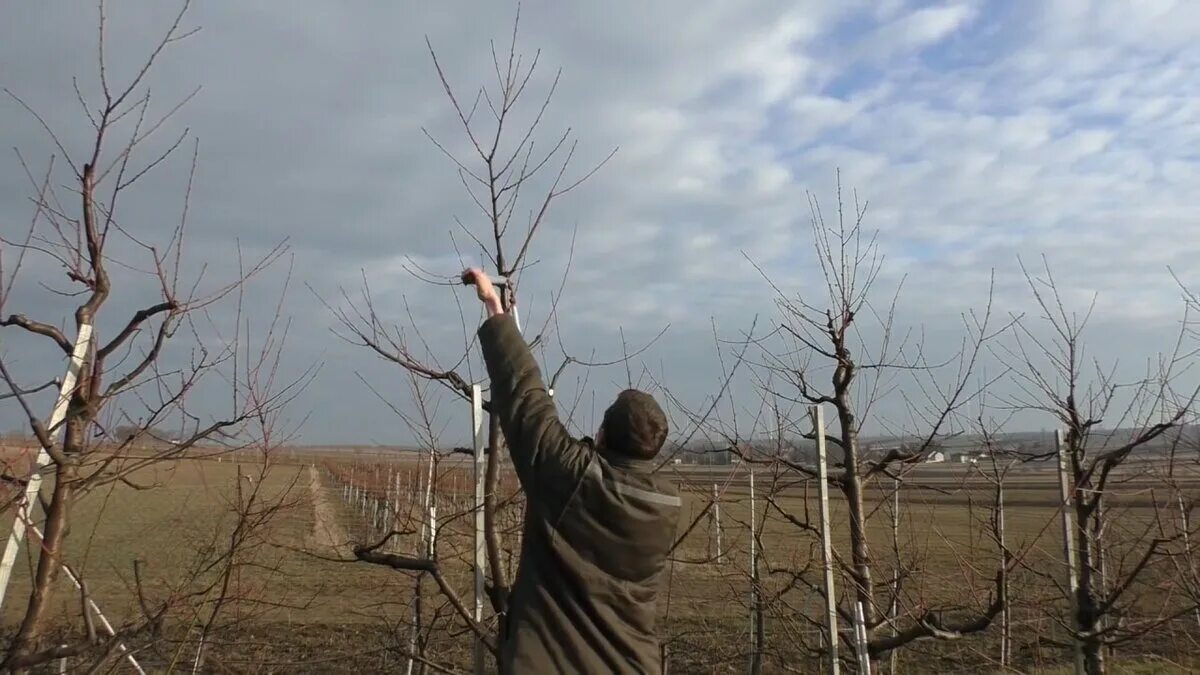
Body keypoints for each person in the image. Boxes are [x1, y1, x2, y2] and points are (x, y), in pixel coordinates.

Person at [462, 268, 681, 675]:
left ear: (600, 435)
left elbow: (525, 397)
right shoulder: (661, 509)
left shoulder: (572, 479)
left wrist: (496, 311)